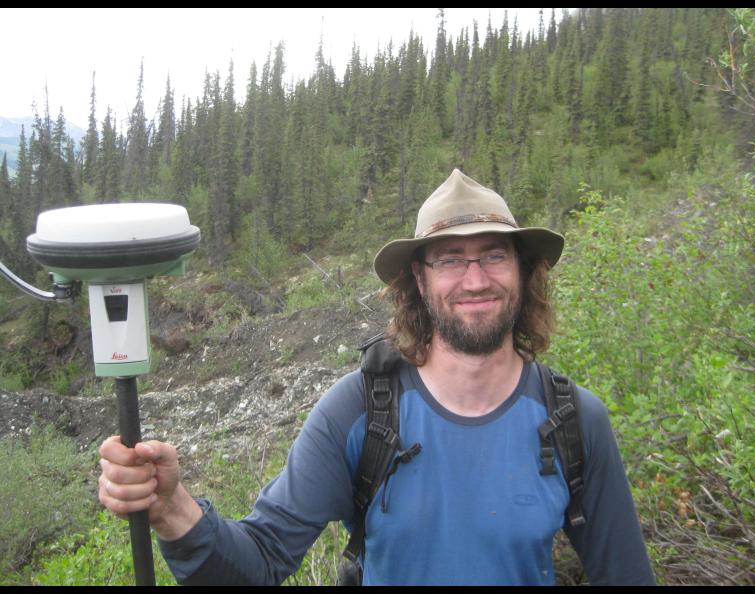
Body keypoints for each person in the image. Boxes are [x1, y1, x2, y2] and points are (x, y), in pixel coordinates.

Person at [98, 169, 655, 586]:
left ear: (524, 270)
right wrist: (174, 511)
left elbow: (625, 574)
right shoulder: (362, 411)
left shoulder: (573, 420)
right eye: (450, 259)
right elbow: (261, 559)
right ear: (418, 278)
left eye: (493, 255)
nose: (475, 278)